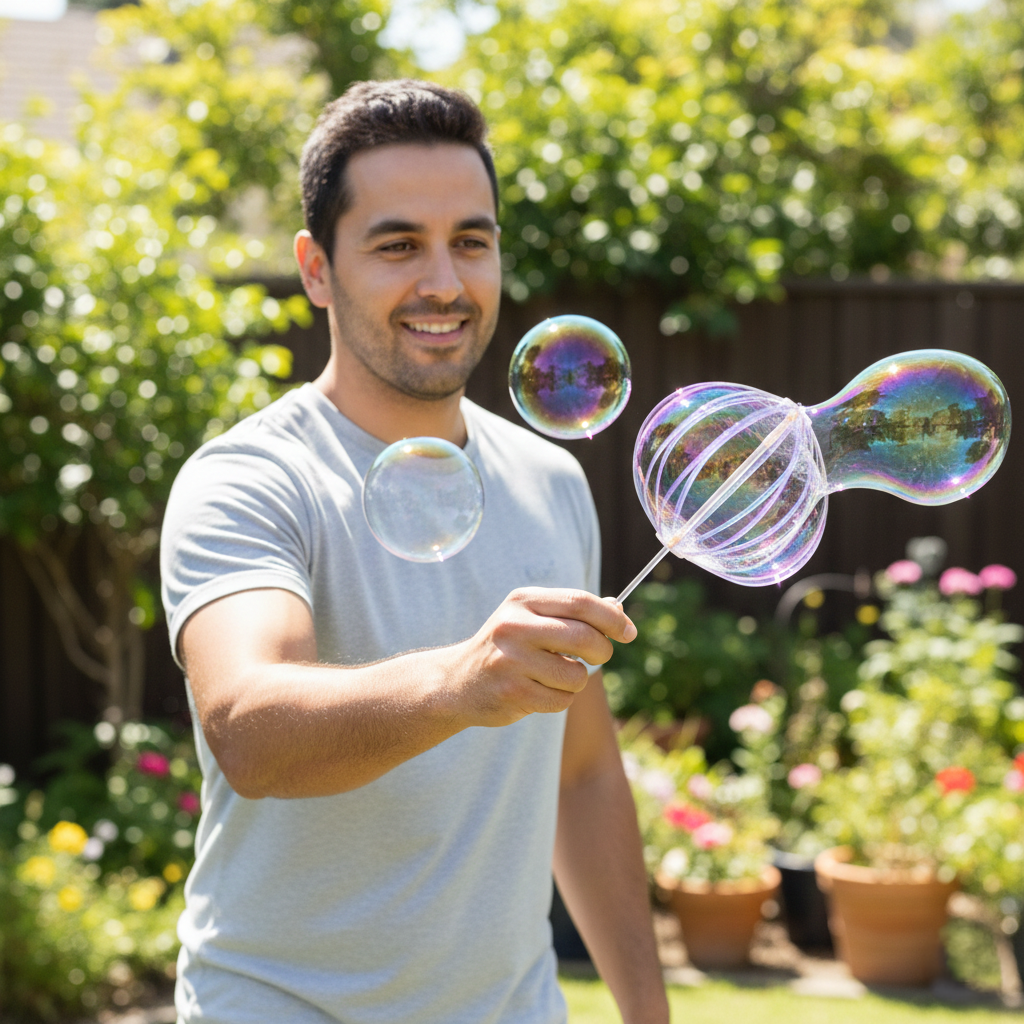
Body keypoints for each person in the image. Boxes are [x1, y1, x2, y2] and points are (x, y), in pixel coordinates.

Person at [160, 78, 669, 1024]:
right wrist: (459, 681)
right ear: (317, 269)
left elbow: (583, 770)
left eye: (470, 242)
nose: (444, 281)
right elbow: (249, 728)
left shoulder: (551, 480)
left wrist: (647, 1011)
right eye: (399, 245)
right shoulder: (248, 479)